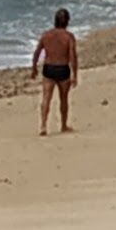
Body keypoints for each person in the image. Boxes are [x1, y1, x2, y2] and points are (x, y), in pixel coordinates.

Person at [32, 7, 79, 136]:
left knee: (46, 98)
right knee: (63, 99)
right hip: (63, 69)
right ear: (67, 21)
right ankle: (63, 125)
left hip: (49, 68)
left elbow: (37, 52)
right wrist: (75, 74)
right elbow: (72, 56)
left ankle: (43, 126)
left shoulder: (46, 35)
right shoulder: (69, 37)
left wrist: (34, 67)